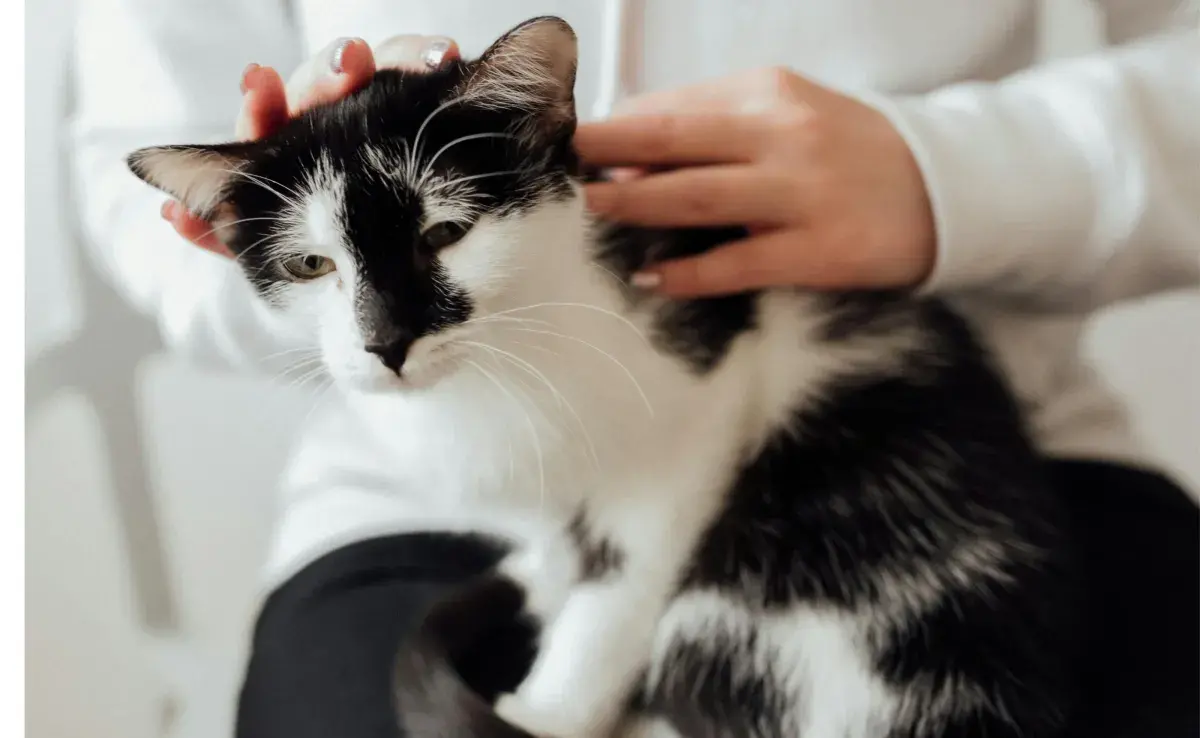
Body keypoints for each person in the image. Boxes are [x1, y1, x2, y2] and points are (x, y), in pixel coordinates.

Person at [71, 2, 1199, 736]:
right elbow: (126, 172)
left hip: (962, 442)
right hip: (411, 496)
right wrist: (248, 230)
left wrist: (954, 175)